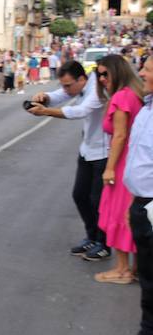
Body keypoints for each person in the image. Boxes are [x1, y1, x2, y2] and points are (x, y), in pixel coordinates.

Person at [28, 60, 111, 261]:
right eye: (62, 84)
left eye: (68, 84)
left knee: (97, 200)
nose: (65, 89)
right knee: (80, 195)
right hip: (87, 150)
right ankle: (91, 237)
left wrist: (46, 111)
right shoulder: (79, 85)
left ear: (81, 79)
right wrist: (45, 97)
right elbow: (63, 95)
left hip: (103, 152)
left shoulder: (98, 90)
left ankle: (104, 244)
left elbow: (80, 111)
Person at [94, 56, 144, 284]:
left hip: (122, 164)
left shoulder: (122, 97)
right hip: (134, 162)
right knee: (130, 216)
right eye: (99, 74)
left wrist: (109, 169)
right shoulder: (135, 95)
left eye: (106, 74)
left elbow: (120, 136)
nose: (102, 79)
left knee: (117, 214)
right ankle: (132, 268)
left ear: (118, 72)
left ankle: (122, 269)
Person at [119, 62, 153, 335]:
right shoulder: (146, 109)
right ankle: (146, 334)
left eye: (149, 70)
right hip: (142, 202)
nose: (141, 74)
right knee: (146, 274)